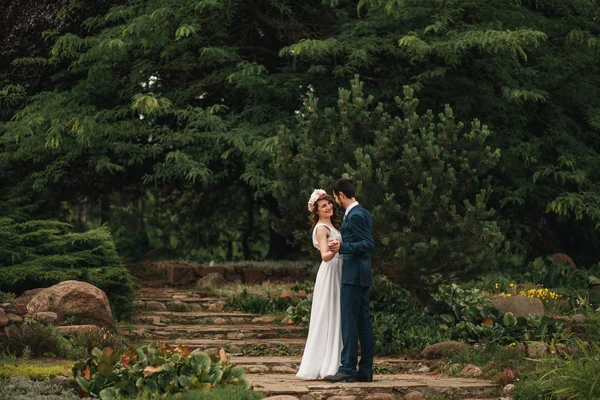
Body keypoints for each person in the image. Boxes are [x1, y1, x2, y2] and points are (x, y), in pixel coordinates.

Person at [324, 178, 375, 383]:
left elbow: (367, 244)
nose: (335, 201)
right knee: (363, 323)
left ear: (341, 195)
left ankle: (347, 368)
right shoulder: (361, 213)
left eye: (335, 197)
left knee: (350, 322)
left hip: (353, 275)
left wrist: (342, 248)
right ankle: (365, 370)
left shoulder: (355, 215)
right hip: (360, 275)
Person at [296, 189, 343, 380]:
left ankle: (334, 359)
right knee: (329, 313)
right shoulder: (322, 228)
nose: (329, 207)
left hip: (339, 269)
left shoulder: (332, 225)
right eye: (323, 205)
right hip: (331, 270)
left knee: (336, 313)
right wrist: (334, 250)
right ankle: (327, 363)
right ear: (316, 211)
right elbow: (324, 256)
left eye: (330, 203)